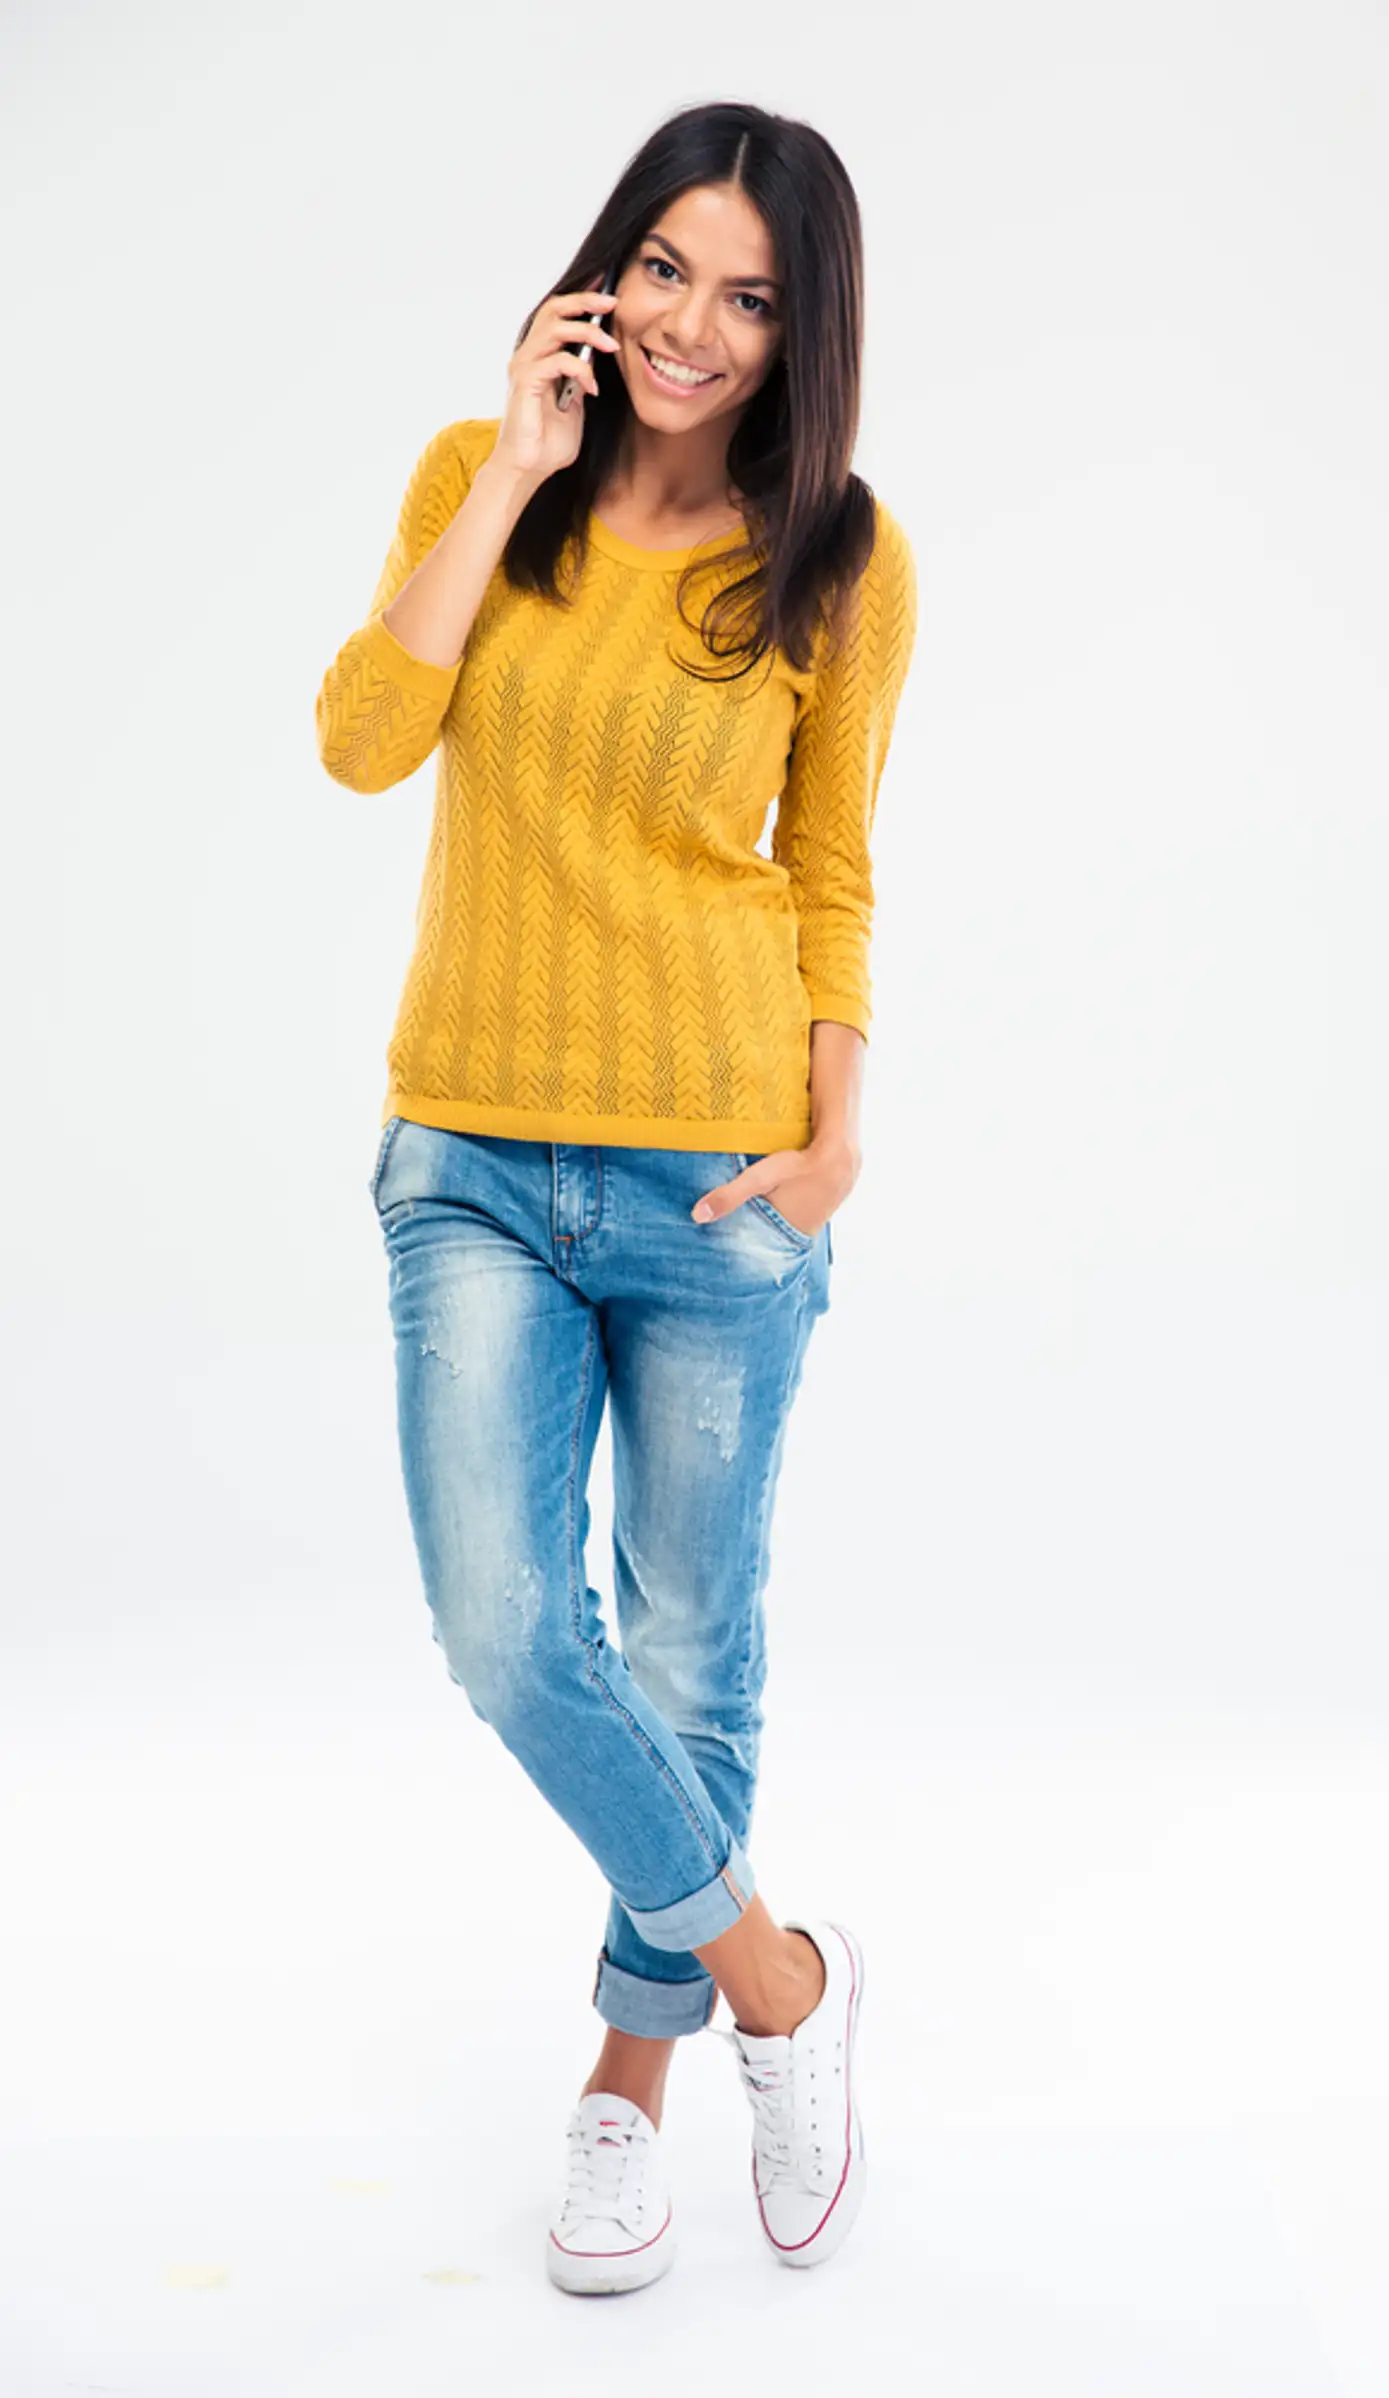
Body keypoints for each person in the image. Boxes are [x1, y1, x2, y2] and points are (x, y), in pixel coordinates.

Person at [314, 99, 917, 2296]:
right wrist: (502, 462)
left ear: (797, 333)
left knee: (680, 1645)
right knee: (505, 1628)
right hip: (466, 1145)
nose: (691, 322)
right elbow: (362, 737)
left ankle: (627, 2085)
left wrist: (835, 1134)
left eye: (748, 296)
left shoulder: (836, 555)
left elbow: (828, 870)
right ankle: (778, 1981)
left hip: (716, 1165)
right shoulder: (482, 496)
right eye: (662, 268)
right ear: (601, 272)